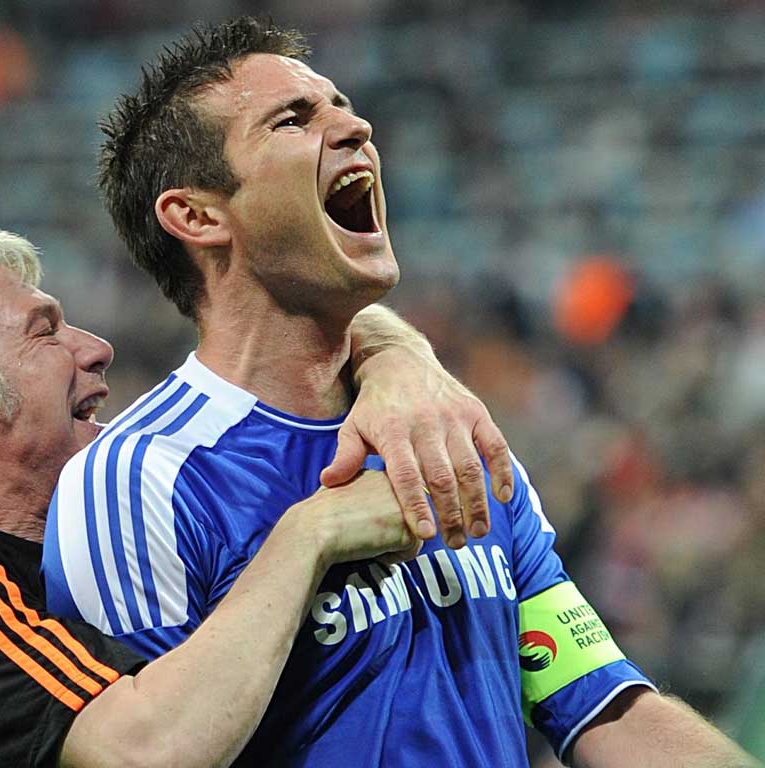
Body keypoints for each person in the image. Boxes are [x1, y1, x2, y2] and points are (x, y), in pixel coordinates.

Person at [43, 17, 759, 768]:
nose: (356, 127)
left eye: (342, 105)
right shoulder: (139, 477)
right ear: (196, 215)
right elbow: (145, 749)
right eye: (293, 120)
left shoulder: (447, 433)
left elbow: (596, 701)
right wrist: (307, 540)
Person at [0, 231, 511, 767]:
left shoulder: (104, 527)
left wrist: (394, 356)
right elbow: (146, 752)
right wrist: (309, 535)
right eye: (44, 332)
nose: (96, 348)